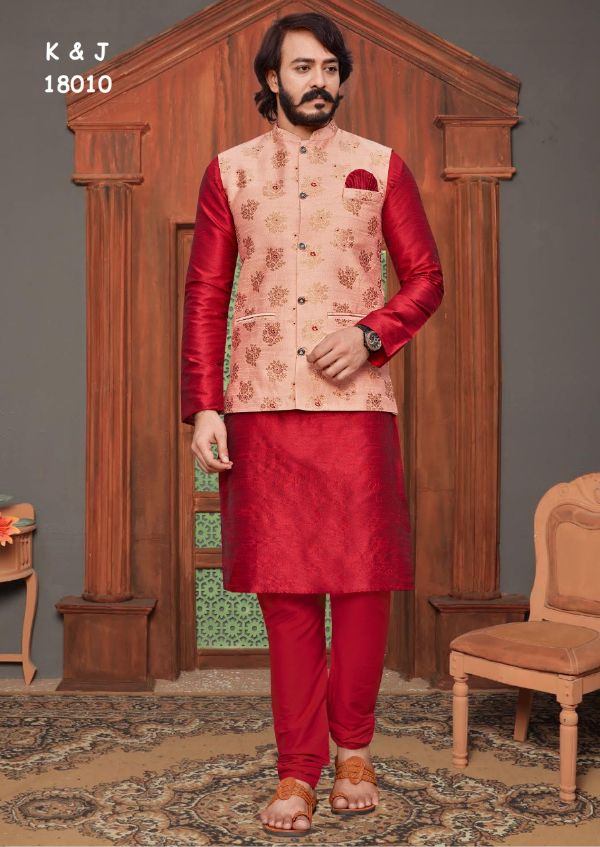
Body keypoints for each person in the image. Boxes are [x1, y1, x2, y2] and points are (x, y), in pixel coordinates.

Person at [180, 11, 444, 836]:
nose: (319, 81)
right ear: (272, 79)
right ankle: (297, 768)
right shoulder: (229, 172)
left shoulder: (380, 165)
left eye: (330, 68)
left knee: (363, 586)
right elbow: (206, 295)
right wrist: (205, 405)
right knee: (287, 594)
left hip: (357, 408)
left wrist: (370, 335)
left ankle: (354, 751)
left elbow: (426, 277)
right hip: (260, 405)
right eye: (303, 68)